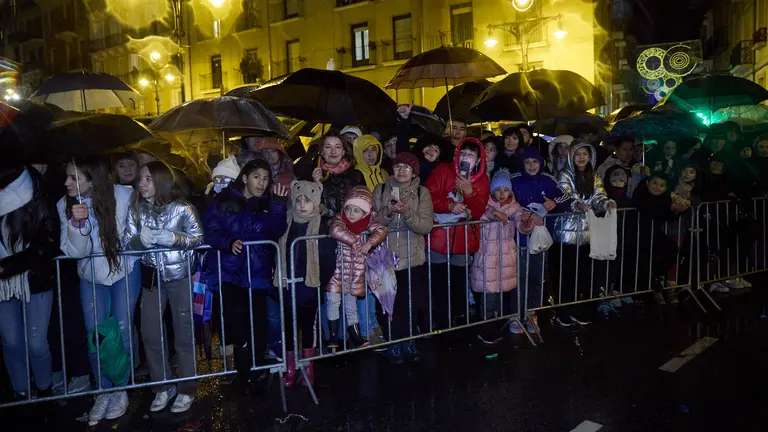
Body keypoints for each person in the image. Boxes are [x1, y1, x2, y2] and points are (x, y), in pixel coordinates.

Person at [56, 158, 140, 425]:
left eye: (74, 177)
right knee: (96, 332)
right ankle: (103, 389)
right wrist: (77, 225)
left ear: (92, 179)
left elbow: (135, 235)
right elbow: (75, 253)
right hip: (90, 276)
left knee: (122, 328)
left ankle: (120, 388)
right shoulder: (64, 205)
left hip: (124, 271)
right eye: (67, 177)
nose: (67, 183)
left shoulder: (123, 195)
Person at [123, 161, 203, 414]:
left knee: (183, 332)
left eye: (148, 179)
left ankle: (187, 388)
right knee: (150, 332)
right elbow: (127, 242)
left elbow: (198, 238)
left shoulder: (183, 208)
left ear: (161, 181)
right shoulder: (137, 209)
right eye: (141, 179)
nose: (142, 184)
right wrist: (139, 240)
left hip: (179, 276)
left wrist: (174, 239)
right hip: (152, 278)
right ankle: (162, 386)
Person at [204, 160, 288, 389]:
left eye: (265, 178)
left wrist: (279, 206)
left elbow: (275, 230)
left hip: (257, 269)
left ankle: (257, 368)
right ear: (244, 178)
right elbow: (210, 230)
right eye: (256, 177)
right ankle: (243, 369)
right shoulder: (222, 201)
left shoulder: (268, 202)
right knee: (235, 320)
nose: (261, 183)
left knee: (258, 322)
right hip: (230, 270)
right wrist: (227, 242)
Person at [0, 166, 57, 400]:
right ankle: (22, 392)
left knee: (36, 344)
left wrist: (7, 266)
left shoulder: (37, 196)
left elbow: (49, 243)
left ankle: (44, 390)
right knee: (11, 341)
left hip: (35, 279)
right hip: (3, 288)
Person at [372, 152, 434, 364]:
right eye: (397, 166)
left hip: (412, 258)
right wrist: (387, 212)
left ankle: (409, 341)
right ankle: (393, 343)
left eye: (406, 167)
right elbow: (372, 223)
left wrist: (407, 212)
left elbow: (426, 225)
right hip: (385, 258)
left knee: (410, 303)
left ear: (414, 171)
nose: (401, 170)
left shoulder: (422, 192)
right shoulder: (380, 190)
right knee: (388, 305)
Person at [275, 181, 335, 387]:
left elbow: (328, 258)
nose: (301, 204)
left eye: (307, 201)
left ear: (316, 202)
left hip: (309, 286)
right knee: (289, 326)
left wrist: (321, 282)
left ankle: (308, 366)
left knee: (309, 327)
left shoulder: (322, 225)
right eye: (298, 199)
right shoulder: (286, 221)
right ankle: (290, 367)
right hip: (287, 284)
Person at [426, 137, 490, 328]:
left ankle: (459, 322)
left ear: (478, 160)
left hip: (464, 240)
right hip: (439, 237)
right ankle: (439, 323)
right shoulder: (442, 170)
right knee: (438, 282)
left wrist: (469, 192)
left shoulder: (482, 179)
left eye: (471, 154)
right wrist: (449, 205)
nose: (466, 157)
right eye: (463, 153)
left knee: (459, 282)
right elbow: (428, 196)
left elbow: (478, 211)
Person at [551, 141, 616, 327]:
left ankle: (578, 309)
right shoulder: (564, 174)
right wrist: (577, 205)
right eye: (578, 154)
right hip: (566, 232)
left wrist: (606, 204)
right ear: (571, 156)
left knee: (583, 274)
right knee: (566, 274)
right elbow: (565, 194)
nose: (581, 157)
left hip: (587, 232)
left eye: (585, 154)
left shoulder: (593, 175)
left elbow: (598, 196)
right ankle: (562, 311)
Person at [470, 169, 536, 342]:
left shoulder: (515, 207)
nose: (501, 194)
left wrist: (527, 222)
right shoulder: (483, 204)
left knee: (500, 295)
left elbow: (522, 225)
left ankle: (496, 327)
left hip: (505, 257)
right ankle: (485, 330)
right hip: (486, 256)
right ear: (492, 190)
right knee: (488, 296)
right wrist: (493, 213)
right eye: (498, 189)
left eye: (505, 190)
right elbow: (480, 215)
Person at [509, 146, 571, 328]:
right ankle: (515, 315)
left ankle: (531, 314)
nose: (531, 166)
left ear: (541, 162)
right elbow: (502, 200)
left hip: (539, 239)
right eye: (527, 162)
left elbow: (565, 198)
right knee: (516, 277)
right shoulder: (513, 179)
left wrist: (553, 204)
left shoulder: (548, 179)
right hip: (516, 238)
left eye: (535, 161)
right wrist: (523, 213)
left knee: (536, 277)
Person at [325, 186, 387, 349]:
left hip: (355, 275)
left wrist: (369, 242)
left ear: (365, 213)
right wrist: (354, 241)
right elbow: (335, 229)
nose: (351, 214)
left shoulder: (368, 223)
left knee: (350, 306)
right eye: (349, 209)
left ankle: (355, 335)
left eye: (356, 210)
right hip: (337, 272)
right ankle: (332, 336)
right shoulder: (340, 220)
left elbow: (381, 230)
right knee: (333, 303)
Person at [631, 172, 691, 303]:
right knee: (643, 261)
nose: (657, 187)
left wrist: (676, 210)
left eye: (662, 185)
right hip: (636, 233)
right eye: (655, 184)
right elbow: (648, 208)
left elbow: (665, 215)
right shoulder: (640, 193)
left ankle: (656, 278)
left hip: (654, 233)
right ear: (648, 183)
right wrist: (672, 207)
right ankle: (643, 293)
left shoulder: (665, 197)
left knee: (671, 249)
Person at [295, 131, 364, 223]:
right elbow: (302, 210)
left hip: (351, 230)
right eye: (328, 147)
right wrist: (316, 184)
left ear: (343, 151)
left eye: (338, 147)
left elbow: (365, 204)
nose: (333, 151)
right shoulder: (309, 174)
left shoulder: (356, 175)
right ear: (322, 151)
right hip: (321, 231)